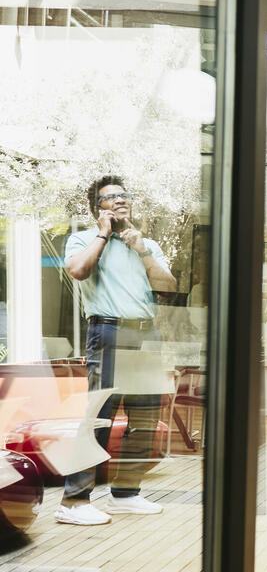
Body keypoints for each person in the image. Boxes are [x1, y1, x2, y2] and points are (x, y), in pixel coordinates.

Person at [58, 176, 177, 525]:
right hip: (108, 331)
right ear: (98, 208)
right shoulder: (83, 239)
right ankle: (73, 501)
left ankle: (126, 493)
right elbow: (78, 271)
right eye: (110, 197)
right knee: (99, 416)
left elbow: (168, 287)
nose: (119, 200)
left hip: (145, 332)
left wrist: (140, 248)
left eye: (123, 195)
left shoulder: (146, 244)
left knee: (143, 418)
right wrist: (103, 233)